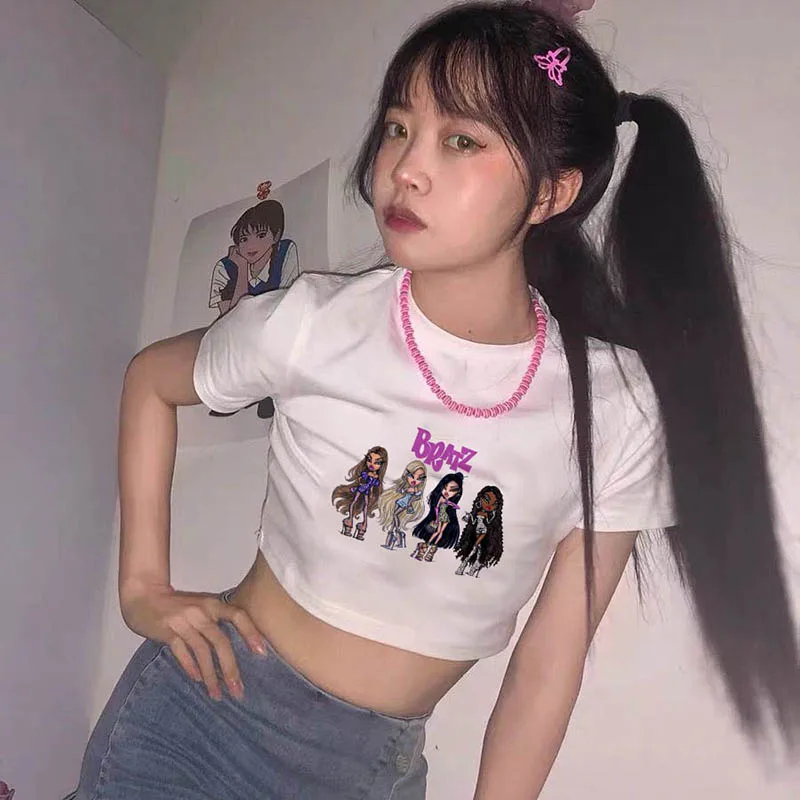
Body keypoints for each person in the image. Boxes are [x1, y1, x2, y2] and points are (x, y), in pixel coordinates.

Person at [70, 2, 800, 799]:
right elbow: (152, 381)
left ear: (551, 193)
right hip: (207, 724)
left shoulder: (616, 407)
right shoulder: (314, 322)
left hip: (372, 773)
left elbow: (548, 663)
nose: (406, 168)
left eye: (461, 140)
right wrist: (142, 588)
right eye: (398, 127)